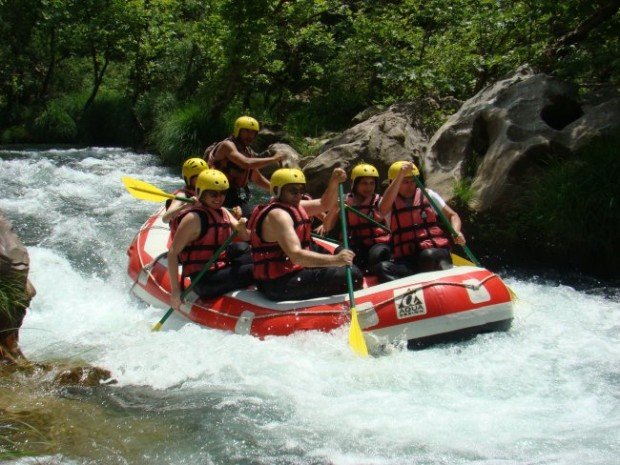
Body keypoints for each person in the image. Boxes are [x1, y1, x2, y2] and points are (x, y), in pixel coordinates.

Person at [248, 168, 363, 301]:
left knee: (346, 260)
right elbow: (296, 256)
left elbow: (324, 204)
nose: (298, 195)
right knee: (354, 276)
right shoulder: (278, 216)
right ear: (276, 191)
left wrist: (334, 181)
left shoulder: (294, 205)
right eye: (292, 191)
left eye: (301, 190)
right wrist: (336, 260)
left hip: (291, 269)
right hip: (279, 282)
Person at [167, 169, 254, 310]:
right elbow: (172, 254)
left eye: (223, 193)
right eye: (213, 194)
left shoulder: (223, 211)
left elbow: (245, 236)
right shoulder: (192, 219)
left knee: (251, 254)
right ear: (201, 193)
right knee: (256, 270)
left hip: (220, 266)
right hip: (204, 281)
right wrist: (175, 292)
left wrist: (241, 224)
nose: (219, 198)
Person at [376, 161, 466, 281]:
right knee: (382, 267)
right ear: (394, 183)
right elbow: (382, 210)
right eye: (405, 182)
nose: (410, 185)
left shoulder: (428, 195)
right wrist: (400, 176)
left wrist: (457, 231)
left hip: (435, 254)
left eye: (413, 181)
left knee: (427, 256)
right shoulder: (388, 202)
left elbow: (452, 215)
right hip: (408, 260)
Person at [206, 116, 285, 217]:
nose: (250, 136)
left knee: (255, 215)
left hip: (231, 194)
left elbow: (257, 178)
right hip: (215, 192)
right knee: (252, 216)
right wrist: (274, 159)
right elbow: (246, 163)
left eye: (253, 133)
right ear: (237, 131)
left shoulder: (247, 152)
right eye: (246, 131)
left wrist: (277, 189)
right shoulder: (227, 146)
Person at [320, 163, 391, 274]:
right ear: (355, 184)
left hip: (376, 244)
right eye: (364, 183)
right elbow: (327, 226)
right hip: (354, 245)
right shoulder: (343, 201)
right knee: (342, 255)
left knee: (377, 255)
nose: (369, 187)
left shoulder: (380, 201)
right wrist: (334, 208)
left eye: (372, 183)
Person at [162, 157, 208, 224]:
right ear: (188, 179)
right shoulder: (182, 195)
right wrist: (186, 206)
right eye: (198, 177)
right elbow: (165, 219)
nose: (202, 180)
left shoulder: (206, 193)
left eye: (204, 176)